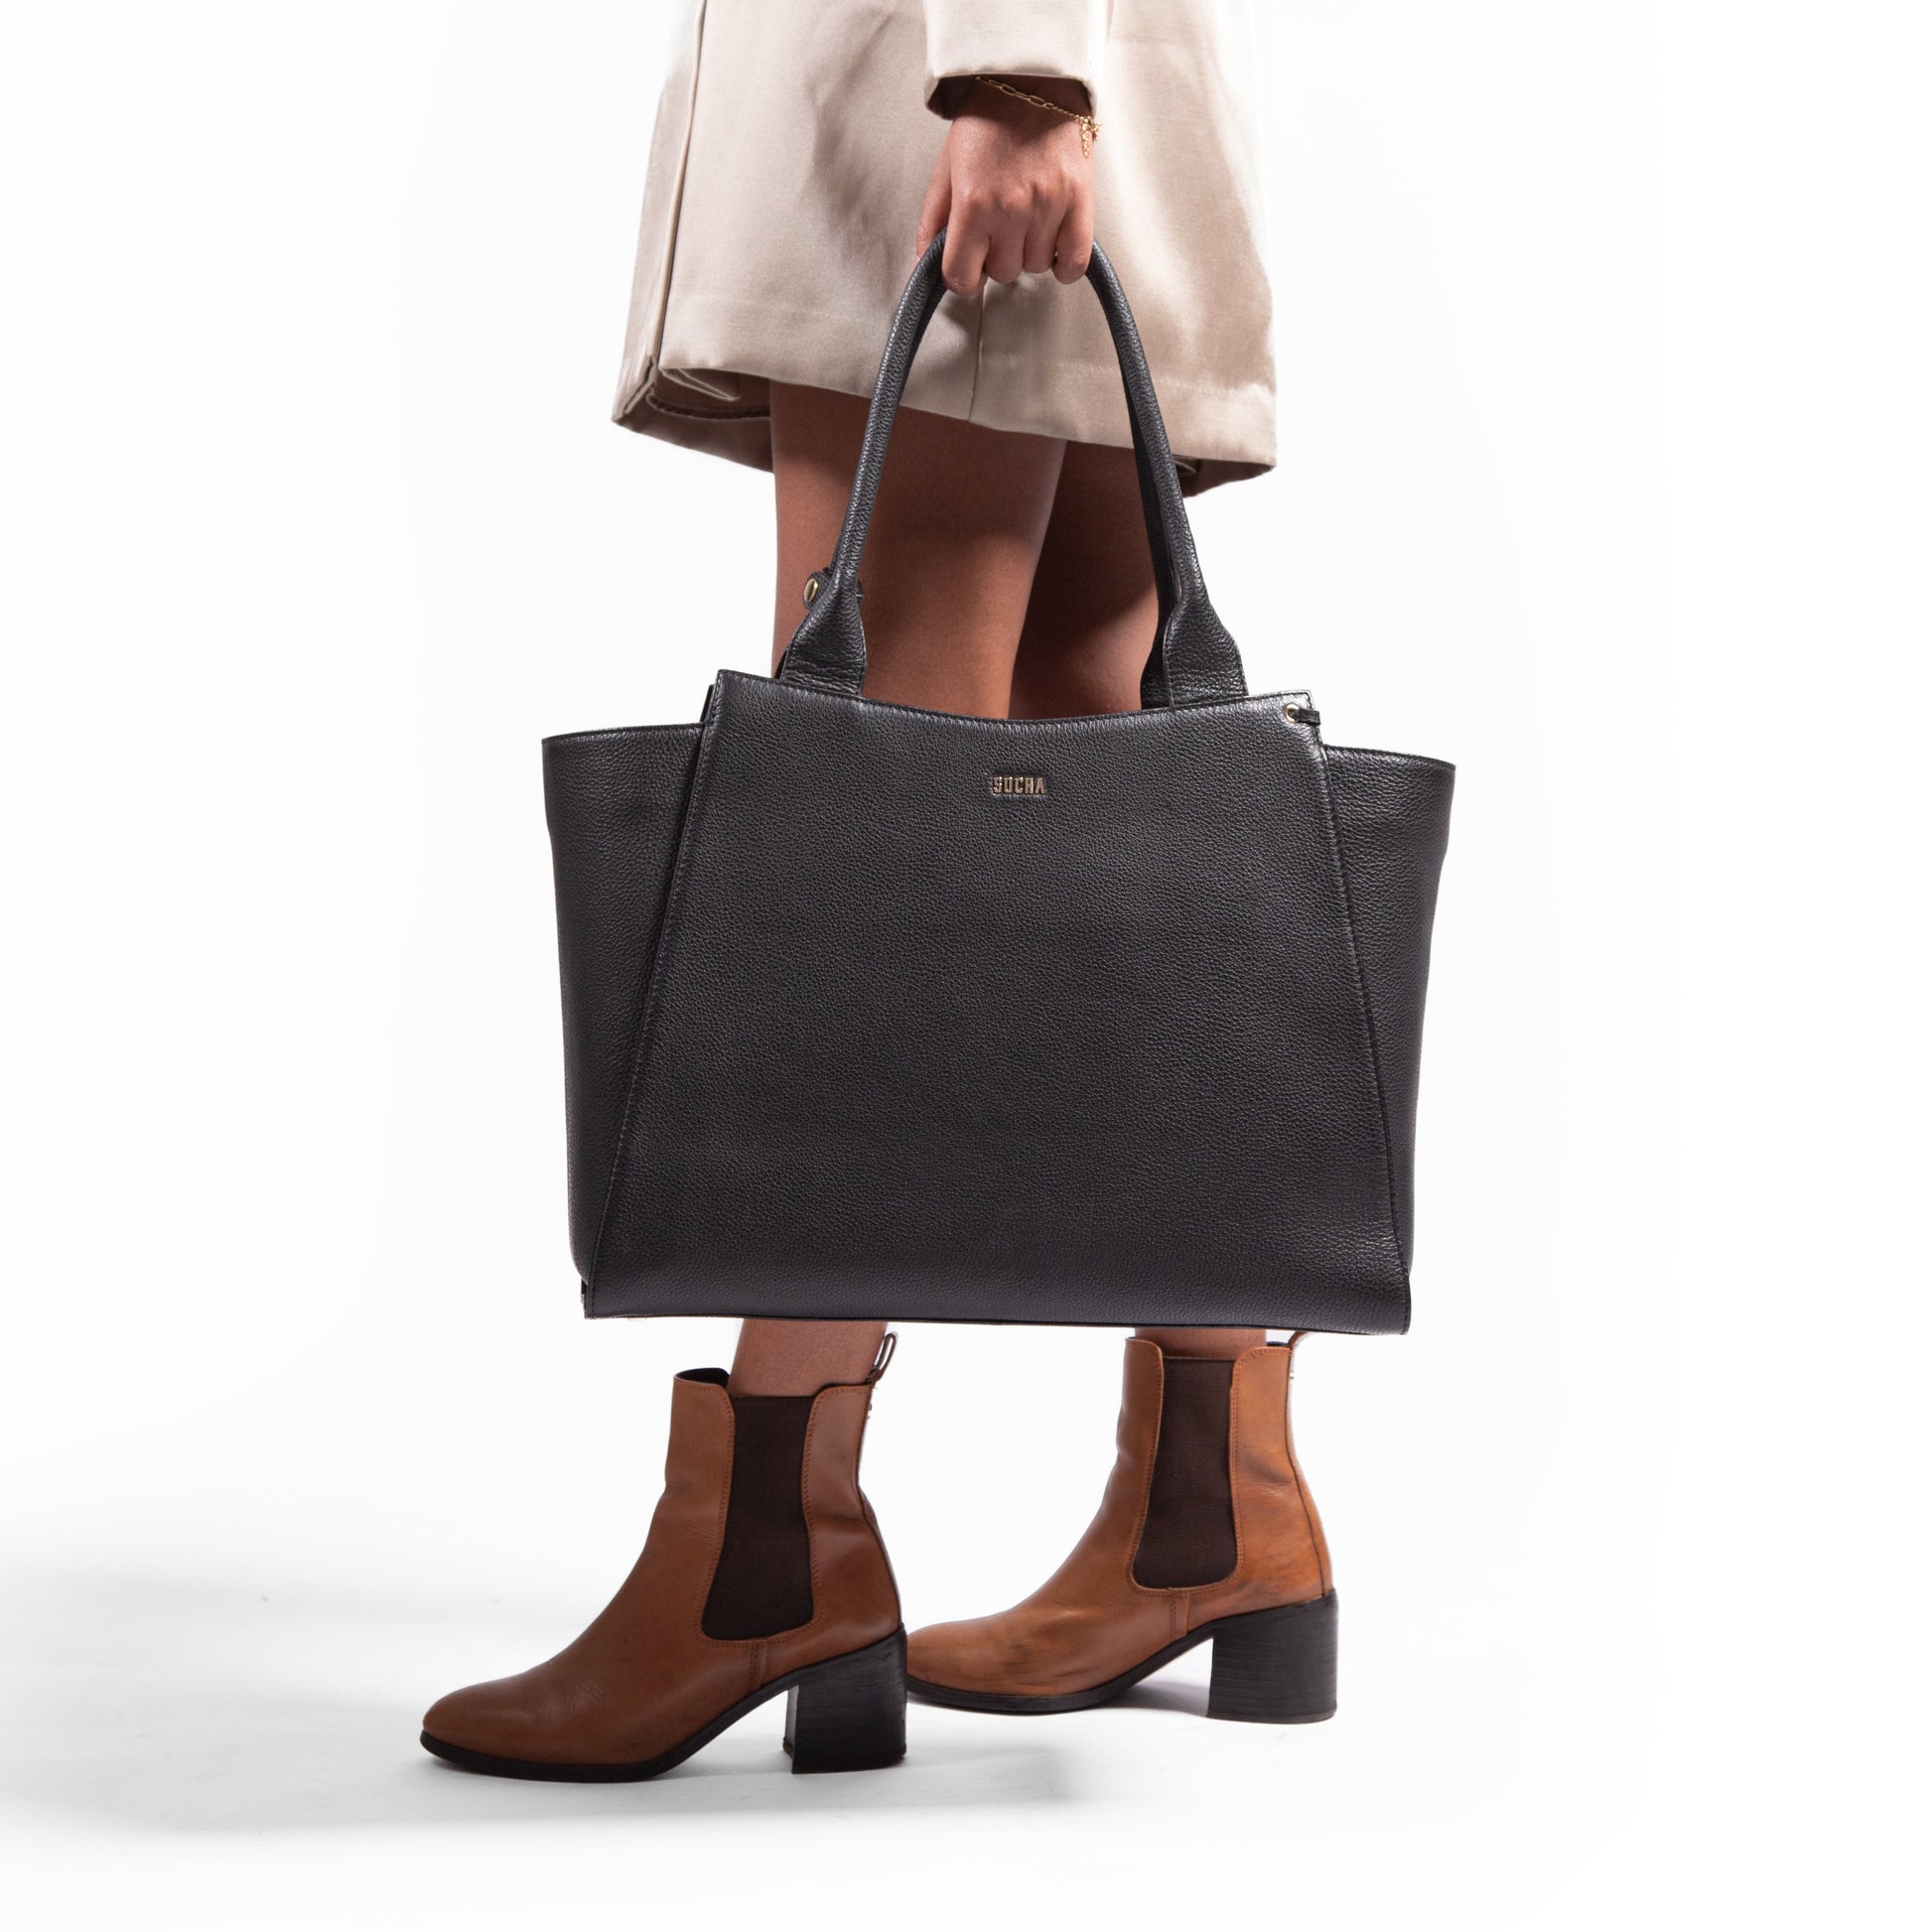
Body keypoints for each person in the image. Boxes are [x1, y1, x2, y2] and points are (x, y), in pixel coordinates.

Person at [421, 1, 1337, 1781]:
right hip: (1021, 97)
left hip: (947, 117)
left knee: (864, 825)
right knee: (1102, 743)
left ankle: (769, 1553)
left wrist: (1011, 74)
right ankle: (1210, 1516)